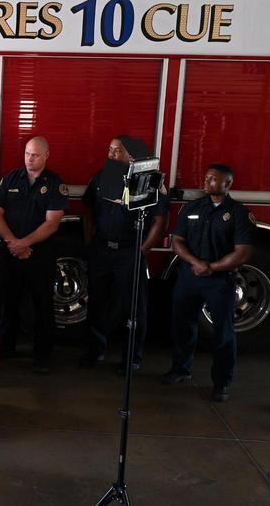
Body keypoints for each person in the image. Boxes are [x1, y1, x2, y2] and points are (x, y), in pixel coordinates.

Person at [160, 164, 254, 402]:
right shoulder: (191, 208)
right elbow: (177, 240)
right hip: (189, 276)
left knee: (223, 333)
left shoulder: (238, 213)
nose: (207, 182)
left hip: (219, 280)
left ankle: (221, 383)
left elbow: (242, 251)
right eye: (206, 178)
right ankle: (181, 369)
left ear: (228, 183)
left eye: (213, 179)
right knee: (182, 324)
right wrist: (195, 263)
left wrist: (212, 267)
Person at [79, 135, 168, 375]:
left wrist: (143, 250)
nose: (111, 155)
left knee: (133, 308)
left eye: (116, 151)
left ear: (130, 156)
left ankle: (132, 358)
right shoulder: (101, 177)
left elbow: (159, 220)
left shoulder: (146, 182)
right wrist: (90, 244)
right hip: (101, 249)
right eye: (109, 150)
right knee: (97, 303)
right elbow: (88, 211)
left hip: (129, 252)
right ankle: (95, 350)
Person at [0, 137, 68, 374]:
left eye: (34, 154)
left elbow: (52, 223)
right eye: (26, 153)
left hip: (40, 255)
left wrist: (23, 243)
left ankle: (43, 355)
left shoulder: (55, 184)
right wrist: (13, 243)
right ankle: (6, 347)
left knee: (42, 305)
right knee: (9, 302)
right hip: (11, 252)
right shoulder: (11, 179)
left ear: (46, 155)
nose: (29, 158)